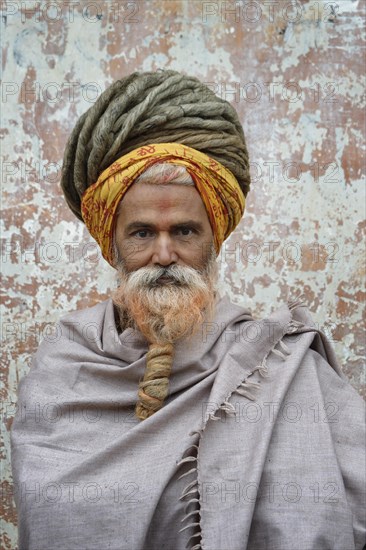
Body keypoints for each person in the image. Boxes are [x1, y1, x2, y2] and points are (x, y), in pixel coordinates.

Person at [11, 70, 365, 550]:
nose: (163, 254)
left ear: (212, 241)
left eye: (184, 232)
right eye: (141, 233)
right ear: (111, 243)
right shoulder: (62, 369)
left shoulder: (280, 364)